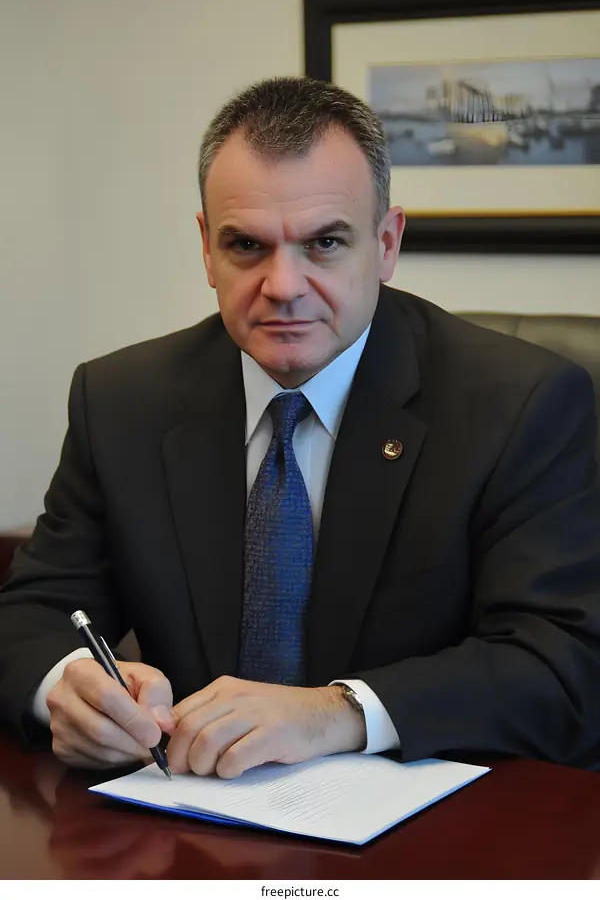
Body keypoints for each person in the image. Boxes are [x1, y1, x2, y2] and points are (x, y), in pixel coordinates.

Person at [1, 76, 599, 778]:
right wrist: (67, 688)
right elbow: (32, 614)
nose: (282, 286)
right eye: (247, 245)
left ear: (386, 242)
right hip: (190, 813)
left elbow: (564, 663)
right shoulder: (122, 401)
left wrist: (336, 712)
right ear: (207, 248)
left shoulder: (519, 404)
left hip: (436, 823)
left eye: (325, 243)